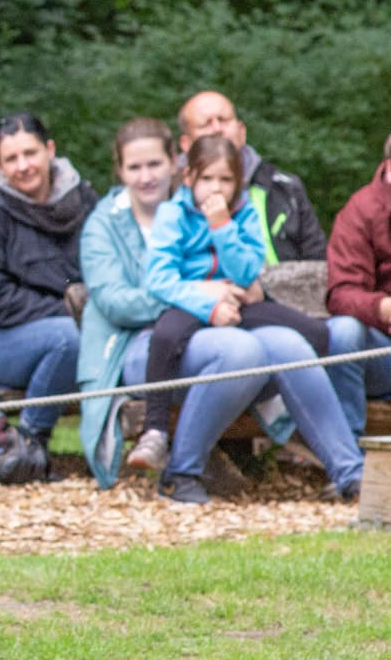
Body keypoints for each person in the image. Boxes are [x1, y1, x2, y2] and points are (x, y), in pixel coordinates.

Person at [78, 118, 363, 502]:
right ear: (121, 171)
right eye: (135, 167)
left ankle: (352, 473)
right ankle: (181, 473)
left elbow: (245, 266)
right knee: (241, 351)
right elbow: (119, 300)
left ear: (176, 165)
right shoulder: (110, 223)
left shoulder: (224, 209)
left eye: (154, 165)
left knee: (290, 345)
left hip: (228, 322)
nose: (146, 176)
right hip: (148, 347)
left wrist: (240, 286)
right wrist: (202, 295)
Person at [129, 135, 329, 470]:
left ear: (238, 182)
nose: (216, 188)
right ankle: (156, 430)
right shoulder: (172, 213)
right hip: (190, 303)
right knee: (164, 337)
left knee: (317, 334)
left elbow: (247, 270)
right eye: (207, 179)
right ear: (190, 177)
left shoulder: (244, 213)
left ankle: (268, 401)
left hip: (239, 302)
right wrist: (208, 303)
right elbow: (160, 278)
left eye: (225, 179)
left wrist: (222, 226)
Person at [0, 112, 97, 468]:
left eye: (30, 153)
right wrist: (67, 313)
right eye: (11, 159)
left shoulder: (85, 200)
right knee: (68, 339)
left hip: (78, 331)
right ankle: (28, 443)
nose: (23, 166)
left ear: (49, 150)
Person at [177, 90, 327, 264]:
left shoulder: (284, 188)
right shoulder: (170, 194)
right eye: (206, 124)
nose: (217, 129)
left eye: (223, 120)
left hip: (284, 287)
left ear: (241, 131)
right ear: (186, 143)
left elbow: (318, 263)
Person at [323, 132, 391, 441]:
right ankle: (351, 461)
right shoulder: (361, 210)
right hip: (383, 352)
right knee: (344, 331)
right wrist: (382, 307)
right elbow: (342, 294)